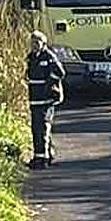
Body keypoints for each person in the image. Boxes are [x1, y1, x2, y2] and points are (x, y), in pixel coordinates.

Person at [25, 30, 65, 169]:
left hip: (46, 100)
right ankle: (44, 154)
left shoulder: (49, 57)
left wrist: (49, 84)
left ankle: (41, 159)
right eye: (32, 43)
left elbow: (60, 72)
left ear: (43, 43)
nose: (34, 45)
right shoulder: (31, 57)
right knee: (36, 128)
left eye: (37, 42)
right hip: (34, 99)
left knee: (42, 128)